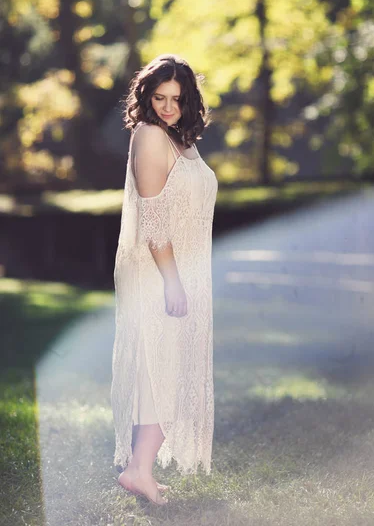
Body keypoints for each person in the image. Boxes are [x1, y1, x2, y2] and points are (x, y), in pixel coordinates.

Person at [110, 54, 218, 505]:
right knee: (158, 367)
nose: (168, 106)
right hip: (159, 272)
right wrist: (174, 282)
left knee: (168, 368)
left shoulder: (178, 138)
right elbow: (154, 224)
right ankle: (138, 470)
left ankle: (140, 468)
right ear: (146, 97)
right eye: (159, 97)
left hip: (182, 270)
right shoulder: (151, 136)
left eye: (177, 98)